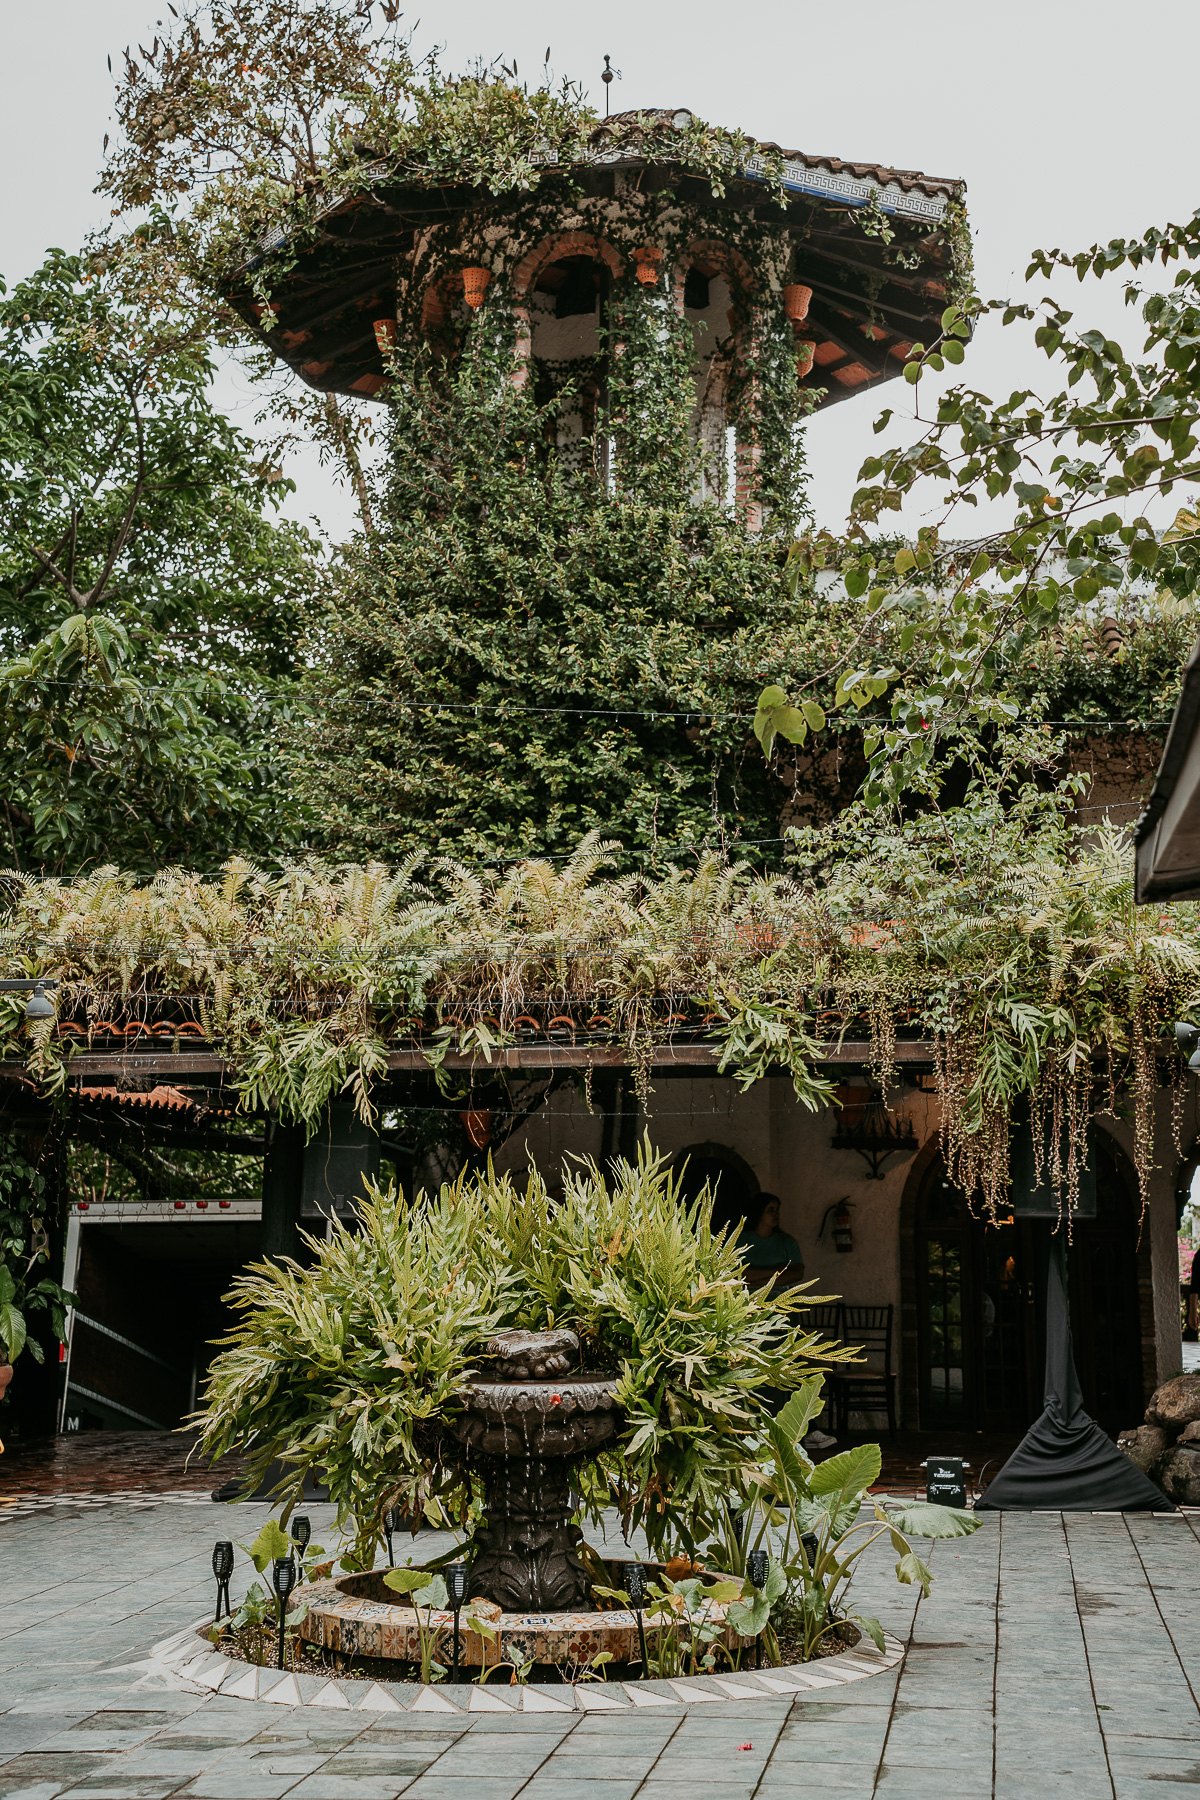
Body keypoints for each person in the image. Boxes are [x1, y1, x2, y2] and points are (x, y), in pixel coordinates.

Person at [738, 1194, 804, 1286]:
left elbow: (797, 1273)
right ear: (759, 1212)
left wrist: (761, 1284)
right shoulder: (741, 1239)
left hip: (780, 1297)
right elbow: (736, 1273)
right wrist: (775, 1271)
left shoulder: (787, 1241)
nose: (776, 1214)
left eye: (777, 1210)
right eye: (771, 1210)